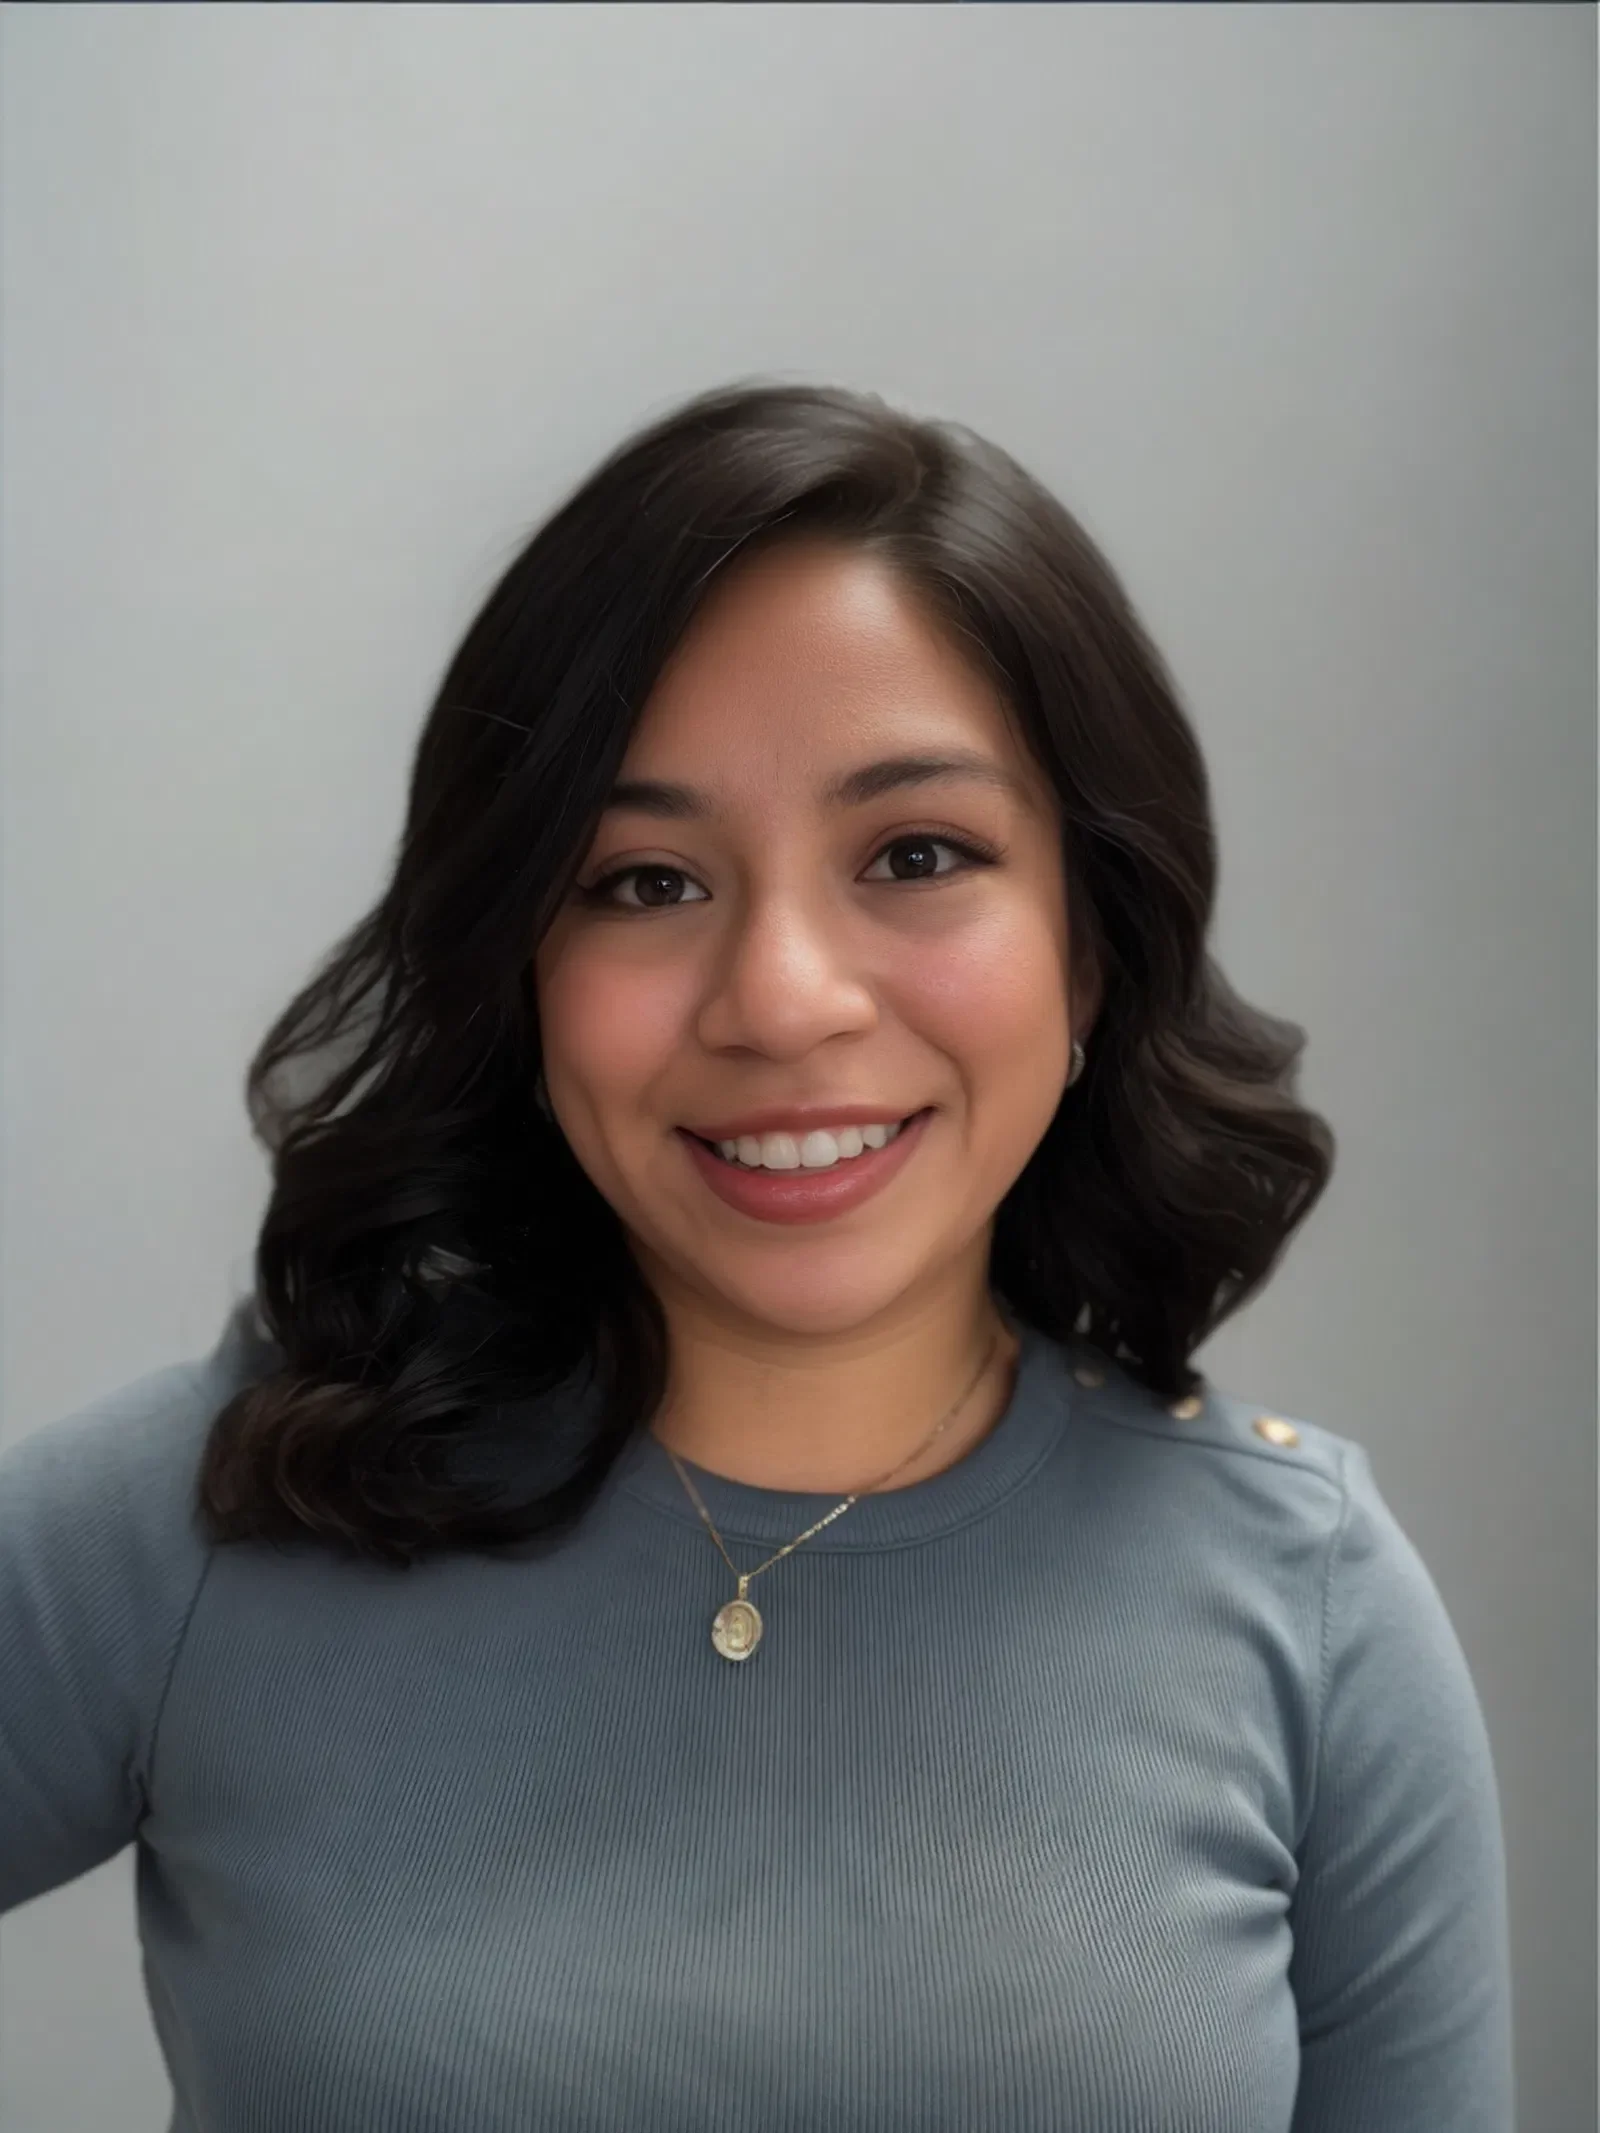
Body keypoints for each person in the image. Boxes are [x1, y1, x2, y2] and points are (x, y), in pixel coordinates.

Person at [0, 379, 1513, 2131]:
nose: (784, 1000)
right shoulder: (238, 1518)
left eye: (918, 854)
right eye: (645, 880)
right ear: (518, 964)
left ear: (1092, 950)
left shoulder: (1313, 1612)